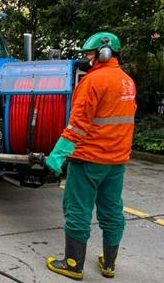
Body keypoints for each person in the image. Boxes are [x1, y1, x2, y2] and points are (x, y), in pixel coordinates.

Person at [46, 32, 137, 280]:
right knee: (111, 211)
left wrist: (57, 154)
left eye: (89, 53)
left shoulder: (93, 81)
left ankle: (73, 265)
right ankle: (109, 264)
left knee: (78, 211)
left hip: (88, 159)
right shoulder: (127, 81)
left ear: (104, 53)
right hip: (116, 161)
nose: (87, 58)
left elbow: (78, 124)